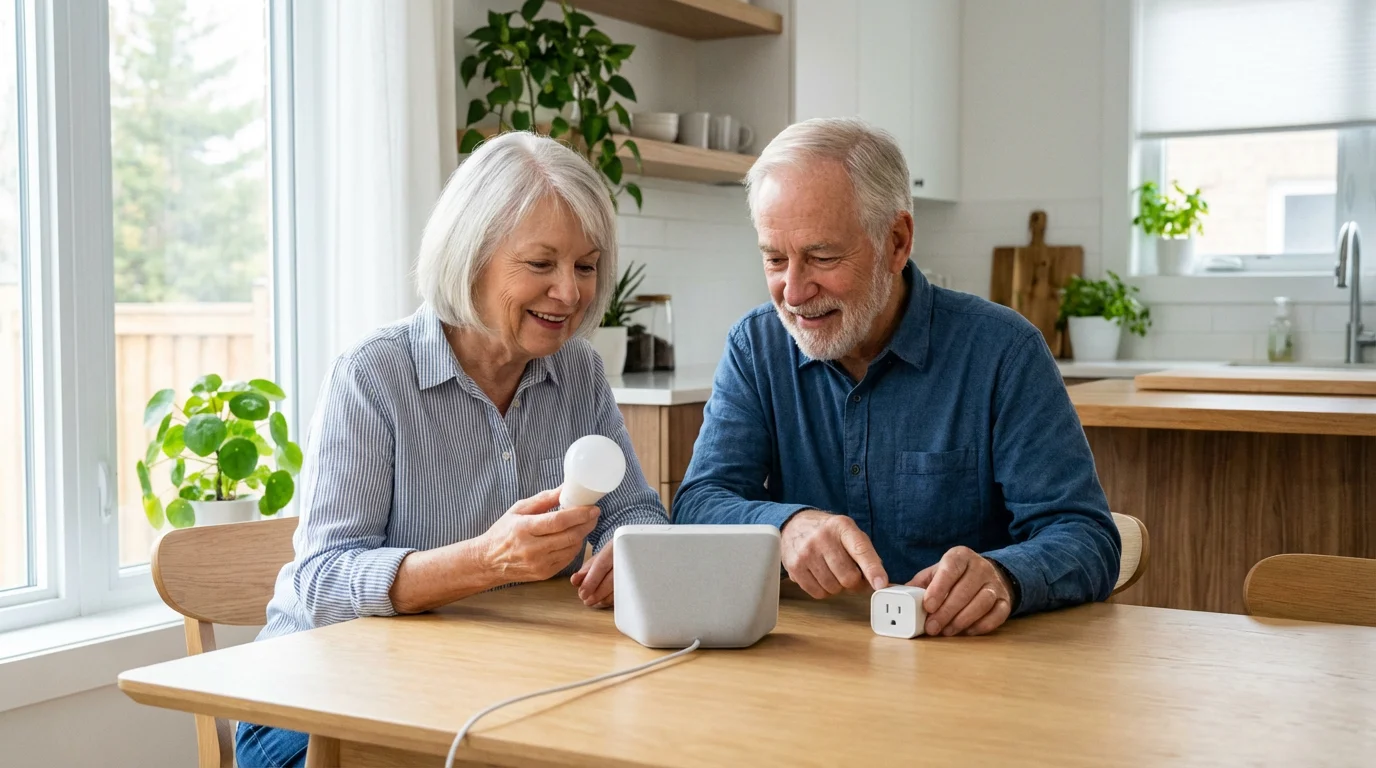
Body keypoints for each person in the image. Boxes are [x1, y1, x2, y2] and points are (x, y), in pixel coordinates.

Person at [234, 132, 668, 768]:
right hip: (320, 705)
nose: (571, 294)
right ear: (471, 258)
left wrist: (623, 549)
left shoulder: (576, 372)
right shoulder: (373, 375)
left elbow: (637, 512)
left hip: (482, 691)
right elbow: (320, 584)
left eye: (585, 265)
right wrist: (487, 559)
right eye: (541, 264)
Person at [674, 117, 1120, 638]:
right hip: (812, 661)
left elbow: (1086, 536)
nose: (793, 293)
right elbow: (699, 503)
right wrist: (785, 525)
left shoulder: (1004, 352)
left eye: (821, 256)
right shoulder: (755, 348)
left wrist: (1005, 577)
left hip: (970, 671)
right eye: (775, 259)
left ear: (897, 241)